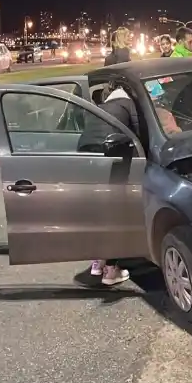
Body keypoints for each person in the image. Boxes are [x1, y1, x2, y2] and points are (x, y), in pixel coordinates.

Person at [77, 87, 139, 285]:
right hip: (111, 158)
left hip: (86, 159)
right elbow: (139, 135)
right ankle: (111, 272)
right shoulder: (129, 105)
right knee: (115, 215)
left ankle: (97, 264)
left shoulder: (102, 108)